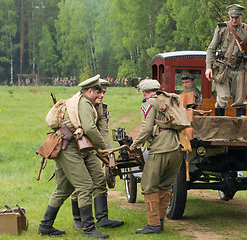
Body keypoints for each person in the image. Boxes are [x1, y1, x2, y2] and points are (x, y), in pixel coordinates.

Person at [38, 75, 110, 239]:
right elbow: (90, 129)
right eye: (98, 92)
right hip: (68, 147)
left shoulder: (80, 100)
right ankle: (89, 229)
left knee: (63, 189)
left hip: (65, 145)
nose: (102, 95)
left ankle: (45, 226)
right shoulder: (84, 102)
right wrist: (104, 148)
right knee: (85, 186)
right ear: (89, 91)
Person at [129, 79, 183, 234]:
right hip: (177, 147)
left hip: (160, 148)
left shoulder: (149, 103)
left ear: (145, 92)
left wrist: (134, 146)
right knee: (165, 185)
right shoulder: (170, 99)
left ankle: (153, 225)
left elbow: (146, 129)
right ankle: (160, 221)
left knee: (148, 185)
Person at [70, 78, 124, 231]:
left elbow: (104, 129)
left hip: (91, 147)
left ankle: (102, 219)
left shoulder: (101, 107)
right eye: (101, 91)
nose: (103, 95)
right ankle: (78, 220)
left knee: (99, 179)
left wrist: (107, 152)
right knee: (79, 185)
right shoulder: (79, 103)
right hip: (76, 147)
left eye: (105, 92)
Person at [205, 3, 247, 117]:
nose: (234, 20)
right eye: (232, 17)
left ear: (241, 16)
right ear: (228, 16)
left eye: (236, 17)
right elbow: (211, 49)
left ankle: (240, 129)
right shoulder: (221, 29)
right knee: (222, 98)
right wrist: (208, 67)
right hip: (223, 68)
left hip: (241, 68)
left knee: (240, 101)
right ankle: (218, 127)